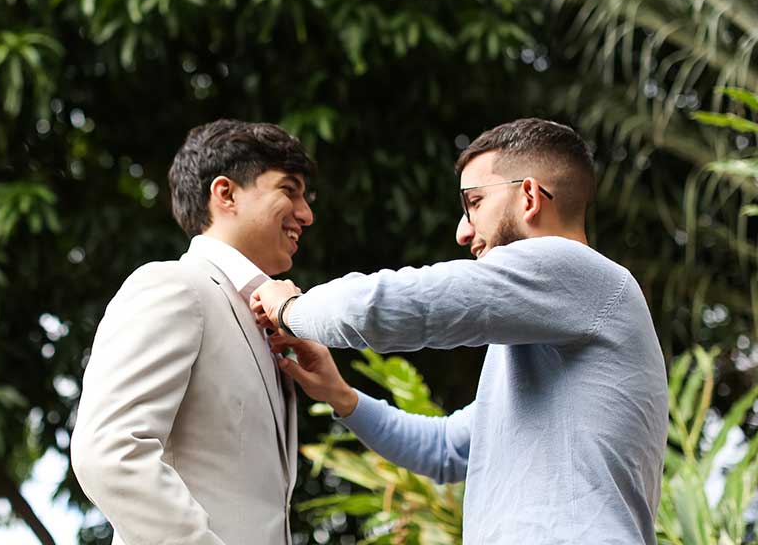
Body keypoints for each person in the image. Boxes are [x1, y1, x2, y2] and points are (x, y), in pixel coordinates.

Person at [252, 118, 668, 544]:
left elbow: (401, 305)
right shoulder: (550, 326)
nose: (463, 230)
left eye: (475, 202)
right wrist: (340, 396)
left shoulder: (578, 271)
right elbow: (446, 448)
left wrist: (290, 308)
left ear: (529, 197)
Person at [71, 119, 315, 544]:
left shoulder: (262, 324)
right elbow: (110, 451)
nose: (306, 214)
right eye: (288, 190)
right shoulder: (174, 286)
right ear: (225, 193)